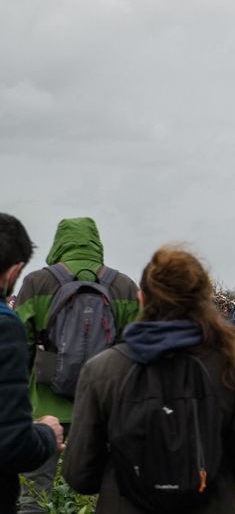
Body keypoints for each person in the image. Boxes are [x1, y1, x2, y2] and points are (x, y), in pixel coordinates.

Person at [62, 246, 235, 510]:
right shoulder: (232, 364)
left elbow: (80, 475)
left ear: (142, 299)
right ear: (203, 300)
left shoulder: (102, 369)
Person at [13, 217, 141, 514]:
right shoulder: (122, 285)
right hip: (105, 409)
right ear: (97, 242)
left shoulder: (36, 282)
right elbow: (134, 350)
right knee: (113, 489)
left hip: (44, 407)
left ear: (60, 242)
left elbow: (19, 347)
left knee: (34, 492)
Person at [0, 215, 64, 514]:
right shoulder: (4, 326)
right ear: (13, 270)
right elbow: (11, 444)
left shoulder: (37, 285)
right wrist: (47, 434)